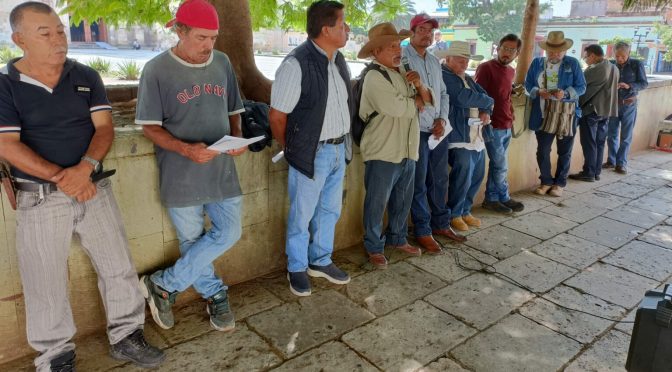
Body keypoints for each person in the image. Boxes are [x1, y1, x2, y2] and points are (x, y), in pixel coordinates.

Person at [0, 2, 165, 371]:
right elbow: (7, 145)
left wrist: (85, 168)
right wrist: (64, 178)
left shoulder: (86, 76)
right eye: (45, 33)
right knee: (44, 281)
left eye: (60, 30)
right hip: (40, 197)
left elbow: (105, 129)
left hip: (94, 189)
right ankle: (54, 356)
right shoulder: (5, 85)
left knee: (118, 266)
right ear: (19, 39)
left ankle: (127, 336)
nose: (59, 39)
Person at [135, 0, 247, 332]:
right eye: (201, 37)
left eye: (213, 38)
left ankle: (164, 284)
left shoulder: (223, 62)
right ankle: (215, 294)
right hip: (180, 172)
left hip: (221, 168)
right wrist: (185, 148)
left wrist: (238, 139)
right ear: (180, 31)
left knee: (230, 231)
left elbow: (234, 110)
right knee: (192, 239)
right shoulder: (156, 70)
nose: (208, 46)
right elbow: (149, 127)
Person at [269, 0, 353, 296]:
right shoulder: (296, 64)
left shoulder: (338, 59)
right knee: (301, 215)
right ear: (326, 29)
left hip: (338, 149)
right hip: (312, 153)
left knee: (330, 210)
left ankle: (321, 260)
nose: (348, 30)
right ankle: (297, 267)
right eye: (343, 25)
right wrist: (293, 148)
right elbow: (277, 116)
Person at [357, 23, 432, 268]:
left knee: (403, 199)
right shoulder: (374, 76)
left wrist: (419, 86)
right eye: (390, 46)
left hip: (408, 148)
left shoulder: (403, 72)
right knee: (377, 202)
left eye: (398, 45)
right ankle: (374, 246)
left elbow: (428, 100)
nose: (397, 50)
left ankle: (398, 238)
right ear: (375, 52)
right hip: (383, 150)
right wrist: (416, 101)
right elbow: (396, 107)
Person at [404, 13, 466, 254]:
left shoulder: (432, 61)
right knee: (418, 182)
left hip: (438, 130)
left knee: (440, 179)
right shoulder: (403, 59)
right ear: (412, 32)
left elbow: (443, 94)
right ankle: (422, 230)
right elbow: (406, 94)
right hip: (416, 129)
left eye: (430, 31)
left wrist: (442, 118)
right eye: (422, 30)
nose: (427, 35)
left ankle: (441, 224)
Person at [438, 42, 494, 231]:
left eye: (466, 61)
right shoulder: (445, 76)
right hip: (458, 136)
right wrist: (488, 101)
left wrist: (486, 108)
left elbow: (483, 95)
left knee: (477, 174)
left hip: (475, 135)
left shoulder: (467, 78)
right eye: (459, 60)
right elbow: (462, 98)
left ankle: (465, 210)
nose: (464, 64)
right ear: (448, 59)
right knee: (463, 174)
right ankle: (454, 213)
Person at [524, 31, 586, 197]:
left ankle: (559, 183)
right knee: (542, 151)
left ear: (564, 51)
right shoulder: (537, 63)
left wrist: (565, 94)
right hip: (543, 114)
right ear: (546, 50)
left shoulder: (572, 64)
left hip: (566, 115)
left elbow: (581, 87)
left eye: (559, 51)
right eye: (551, 51)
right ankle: (546, 181)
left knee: (564, 151)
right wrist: (538, 91)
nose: (555, 54)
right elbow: (528, 84)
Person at [474, 34, 525, 214]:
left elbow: (506, 96)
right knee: (500, 164)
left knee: (498, 164)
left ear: (517, 53)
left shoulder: (511, 71)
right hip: (491, 125)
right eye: (505, 48)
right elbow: (478, 94)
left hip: (506, 124)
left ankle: (492, 198)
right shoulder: (485, 68)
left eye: (512, 50)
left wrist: (511, 114)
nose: (507, 53)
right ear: (498, 48)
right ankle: (503, 197)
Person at [570, 44, 619, 182]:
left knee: (589, 143)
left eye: (586, 57)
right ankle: (596, 172)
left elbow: (578, 84)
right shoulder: (613, 67)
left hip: (592, 110)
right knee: (599, 142)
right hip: (605, 110)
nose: (585, 60)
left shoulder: (595, 69)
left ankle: (589, 172)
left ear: (592, 55)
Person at [604, 41, 649, 174]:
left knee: (626, 136)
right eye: (617, 56)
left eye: (622, 56)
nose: (619, 59)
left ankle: (621, 163)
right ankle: (611, 161)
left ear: (628, 53)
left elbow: (644, 83)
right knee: (611, 134)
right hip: (614, 104)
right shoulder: (610, 65)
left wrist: (629, 86)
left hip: (629, 104)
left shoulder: (636, 64)